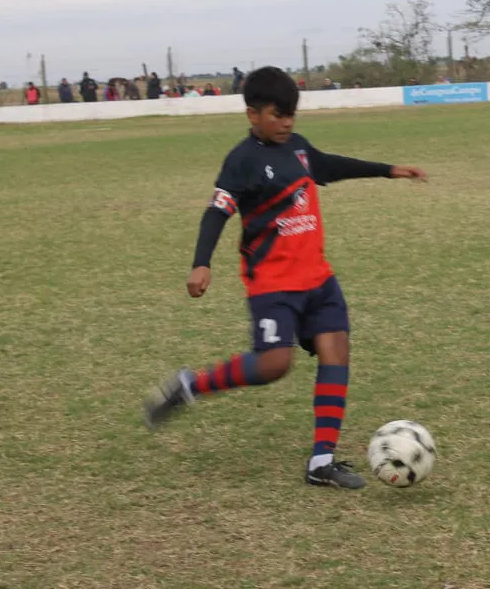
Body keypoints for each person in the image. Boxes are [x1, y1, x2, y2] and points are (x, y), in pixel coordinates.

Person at [142, 66, 428, 490]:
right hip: (273, 283)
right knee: (275, 364)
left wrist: (388, 169)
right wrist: (201, 262)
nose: (288, 122)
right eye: (279, 114)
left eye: (292, 114)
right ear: (252, 113)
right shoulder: (242, 160)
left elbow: (328, 165)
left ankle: (322, 461)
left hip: (317, 277)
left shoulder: (296, 147)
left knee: (337, 350)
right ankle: (190, 385)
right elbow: (217, 210)